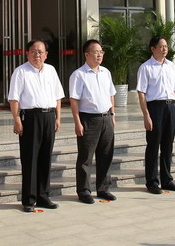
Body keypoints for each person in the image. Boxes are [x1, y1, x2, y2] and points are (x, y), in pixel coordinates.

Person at [8, 39, 65, 212]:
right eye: (33, 51)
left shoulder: (51, 70)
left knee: (45, 158)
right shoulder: (20, 72)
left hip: (49, 116)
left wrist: (58, 118)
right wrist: (17, 119)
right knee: (30, 159)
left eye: (40, 52)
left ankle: (43, 196)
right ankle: (29, 199)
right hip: (30, 118)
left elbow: (58, 96)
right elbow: (14, 98)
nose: (37, 55)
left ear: (46, 54)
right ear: (27, 53)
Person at [69, 39, 117, 204]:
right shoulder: (78, 75)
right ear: (87, 54)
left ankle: (103, 189)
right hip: (88, 119)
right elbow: (74, 100)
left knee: (106, 155)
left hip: (106, 118)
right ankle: (84, 191)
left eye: (101, 52)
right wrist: (77, 122)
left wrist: (112, 114)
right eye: (96, 52)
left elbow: (111, 94)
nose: (99, 55)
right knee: (86, 157)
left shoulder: (106, 72)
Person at [137, 36, 175, 194]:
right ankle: (152, 182)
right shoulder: (146, 67)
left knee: (167, 145)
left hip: (171, 107)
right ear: (153, 48)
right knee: (153, 145)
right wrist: (146, 115)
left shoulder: (171, 66)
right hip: (155, 108)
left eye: (166, 46)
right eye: (161, 46)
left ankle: (167, 180)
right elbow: (141, 93)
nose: (164, 49)